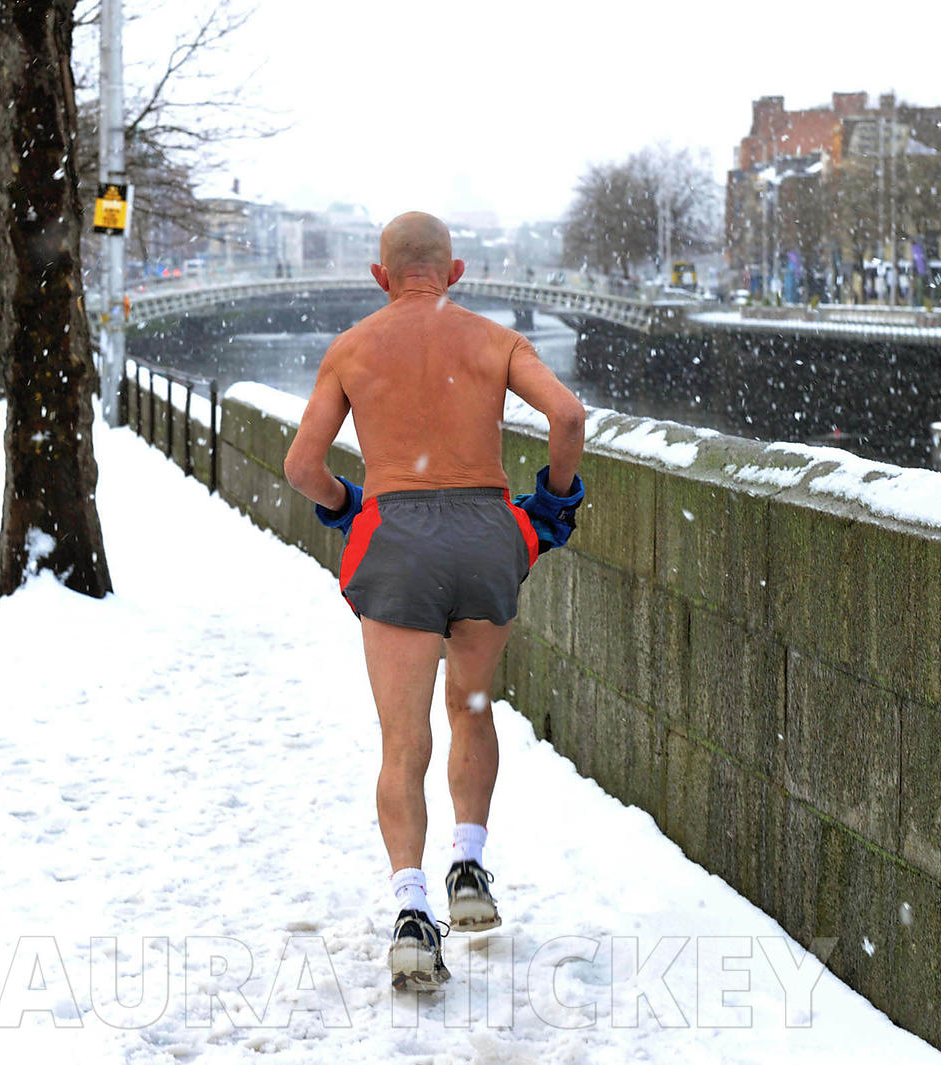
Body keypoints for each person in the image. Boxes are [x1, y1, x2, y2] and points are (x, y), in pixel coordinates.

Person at [283, 212, 587, 990]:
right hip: (488, 535)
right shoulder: (492, 339)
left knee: (400, 738)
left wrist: (348, 503)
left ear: (380, 277)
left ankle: (413, 913)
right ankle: (470, 866)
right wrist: (551, 502)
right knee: (472, 707)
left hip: (398, 542)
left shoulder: (354, 348)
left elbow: (301, 466)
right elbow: (568, 416)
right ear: (454, 273)